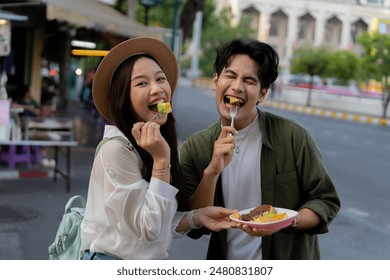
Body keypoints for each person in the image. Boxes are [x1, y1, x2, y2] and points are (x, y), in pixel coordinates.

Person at [178, 38, 341, 260]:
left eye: (249, 80)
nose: (237, 86)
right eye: (230, 75)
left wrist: (287, 221)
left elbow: (325, 200)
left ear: (262, 93)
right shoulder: (195, 148)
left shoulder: (293, 137)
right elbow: (193, 224)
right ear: (215, 81)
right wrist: (212, 172)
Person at [79, 37, 236, 260]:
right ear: (123, 98)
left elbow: (158, 220)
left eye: (160, 79)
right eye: (142, 83)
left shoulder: (150, 145)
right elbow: (150, 229)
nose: (158, 89)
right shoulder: (116, 151)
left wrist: (197, 217)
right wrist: (162, 162)